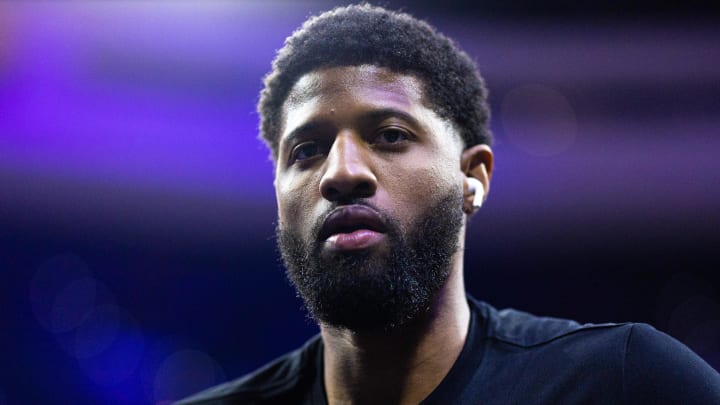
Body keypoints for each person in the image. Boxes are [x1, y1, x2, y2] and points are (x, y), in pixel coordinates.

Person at [178, 4, 720, 404]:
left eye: (389, 135)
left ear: (472, 177)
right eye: (307, 150)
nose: (341, 172)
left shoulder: (626, 382)